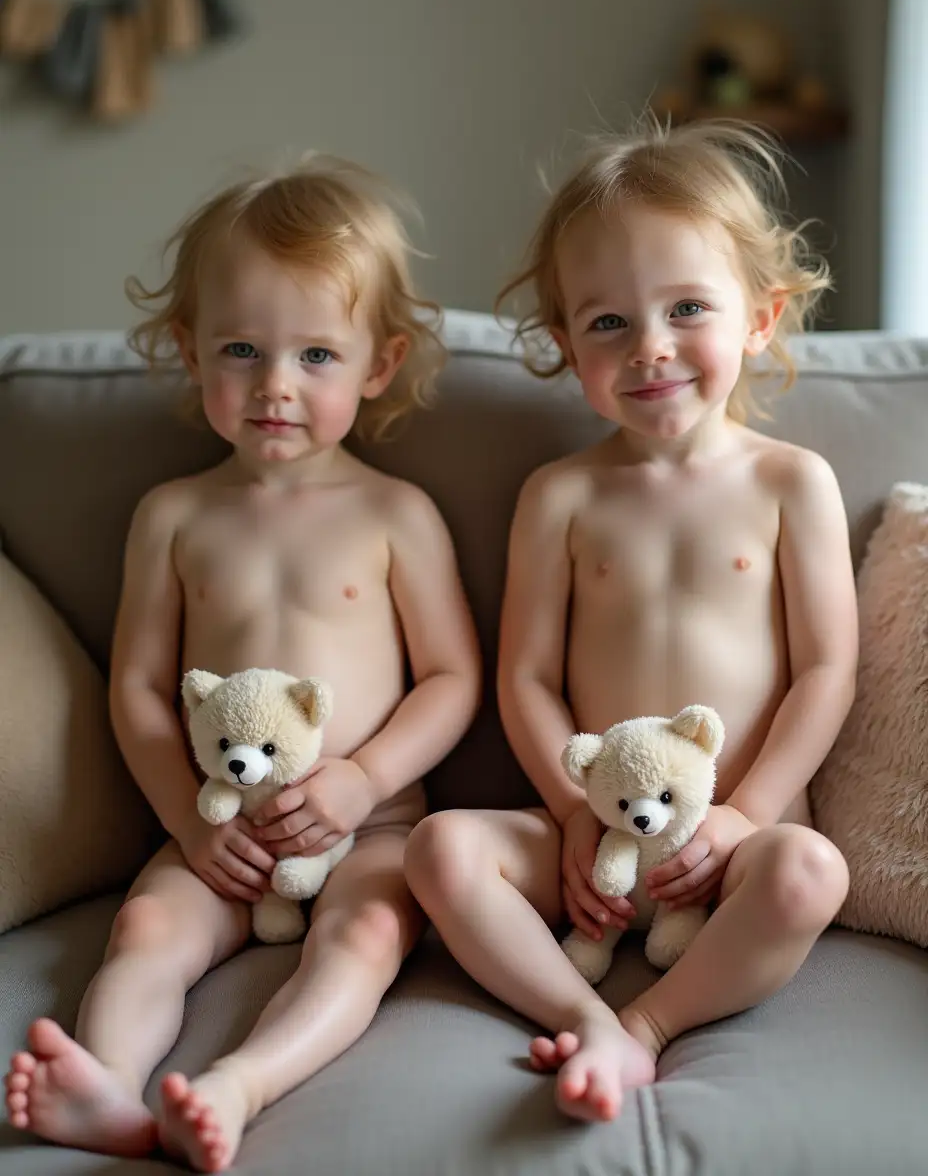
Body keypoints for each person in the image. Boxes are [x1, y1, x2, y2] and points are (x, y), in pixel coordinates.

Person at [5, 156, 481, 1172]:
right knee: (143, 926)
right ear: (188, 351)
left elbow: (451, 678)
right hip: (215, 824)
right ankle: (104, 1083)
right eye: (241, 348)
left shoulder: (396, 515)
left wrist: (362, 782)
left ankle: (241, 1080)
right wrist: (186, 815)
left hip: (370, 826)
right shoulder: (174, 515)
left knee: (360, 938)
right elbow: (138, 686)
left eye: (317, 353)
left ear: (379, 363)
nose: (275, 384)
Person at [405, 119, 856, 1124]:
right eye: (606, 323)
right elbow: (525, 673)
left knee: (810, 871)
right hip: (589, 831)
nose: (649, 346)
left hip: (733, 842)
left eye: (686, 307)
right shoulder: (559, 494)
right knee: (437, 849)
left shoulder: (791, 482)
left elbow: (826, 668)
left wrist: (749, 811)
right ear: (566, 346)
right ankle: (581, 1010)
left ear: (760, 316)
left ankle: (645, 1022)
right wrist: (570, 813)